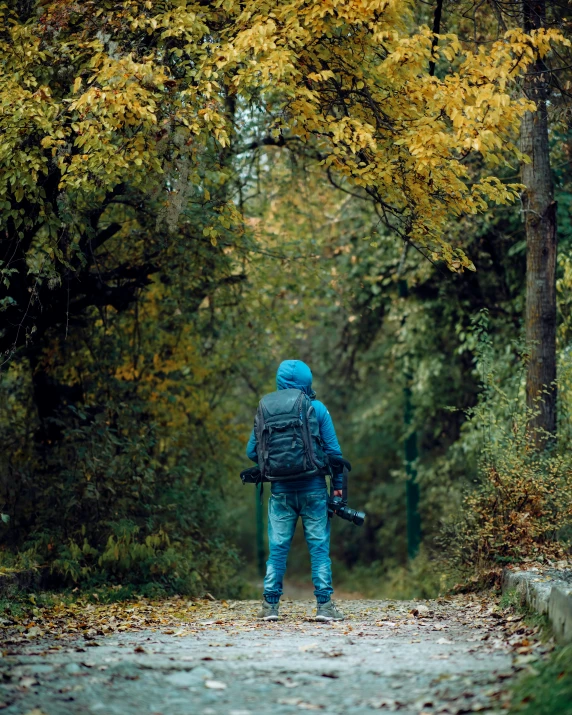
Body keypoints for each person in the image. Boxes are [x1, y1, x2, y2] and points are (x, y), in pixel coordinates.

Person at [246, 359, 345, 622]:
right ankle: (325, 607)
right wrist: (337, 488)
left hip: (280, 492)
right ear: (307, 381)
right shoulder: (316, 408)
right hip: (313, 490)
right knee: (318, 547)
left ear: (279, 382)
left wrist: (277, 466)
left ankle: (270, 606)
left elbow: (251, 452)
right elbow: (335, 454)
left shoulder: (266, 408)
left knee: (277, 547)